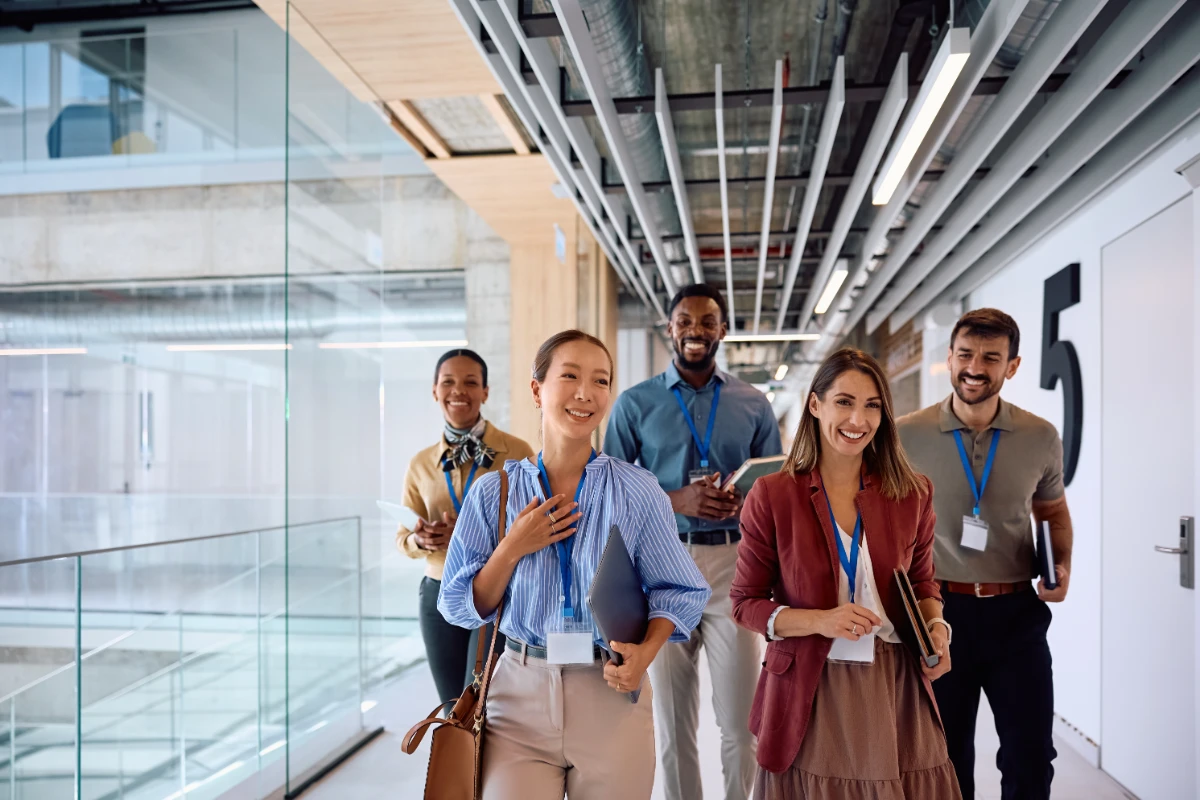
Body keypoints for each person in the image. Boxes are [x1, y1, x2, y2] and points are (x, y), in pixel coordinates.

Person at [439, 330, 711, 799]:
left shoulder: (637, 490)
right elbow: (457, 606)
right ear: (536, 389)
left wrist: (645, 653)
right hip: (517, 695)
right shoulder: (493, 493)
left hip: (610, 691)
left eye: (601, 381)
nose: (587, 392)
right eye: (570, 376)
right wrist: (511, 549)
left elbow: (679, 591)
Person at [730, 348, 960, 798]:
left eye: (872, 405)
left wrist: (937, 628)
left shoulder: (912, 493)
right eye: (844, 402)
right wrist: (821, 619)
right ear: (815, 405)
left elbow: (922, 583)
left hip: (894, 683)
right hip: (812, 685)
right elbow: (744, 603)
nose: (858, 419)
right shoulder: (773, 495)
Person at [603, 283, 782, 800]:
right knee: (672, 723)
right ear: (670, 329)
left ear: (723, 330)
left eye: (707, 322)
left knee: (742, 724)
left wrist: (745, 503)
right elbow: (610, 490)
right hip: (661, 567)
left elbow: (775, 489)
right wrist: (677, 499)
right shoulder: (635, 404)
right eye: (686, 321)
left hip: (735, 566)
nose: (696, 331)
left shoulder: (753, 402)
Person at [897, 308, 1073, 800]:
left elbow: (1053, 512)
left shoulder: (1040, 436)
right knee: (946, 757)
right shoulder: (906, 434)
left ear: (1011, 366)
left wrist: (1061, 568)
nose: (975, 367)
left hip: (1016, 613)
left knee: (1031, 753)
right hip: (939, 614)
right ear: (949, 359)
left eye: (991, 358)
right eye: (966, 355)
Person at [396, 348, 533, 704]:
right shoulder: (421, 463)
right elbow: (401, 536)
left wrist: (475, 532)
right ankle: (457, 763)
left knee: (484, 702)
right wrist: (419, 538)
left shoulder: (516, 452)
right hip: (438, 590)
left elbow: (532, 524)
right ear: (435, 390)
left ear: (486, 392)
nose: (459, 391)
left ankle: (486, 762)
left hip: (496, 591)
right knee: (450, 707)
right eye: (448, 382)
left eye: (471, 382)